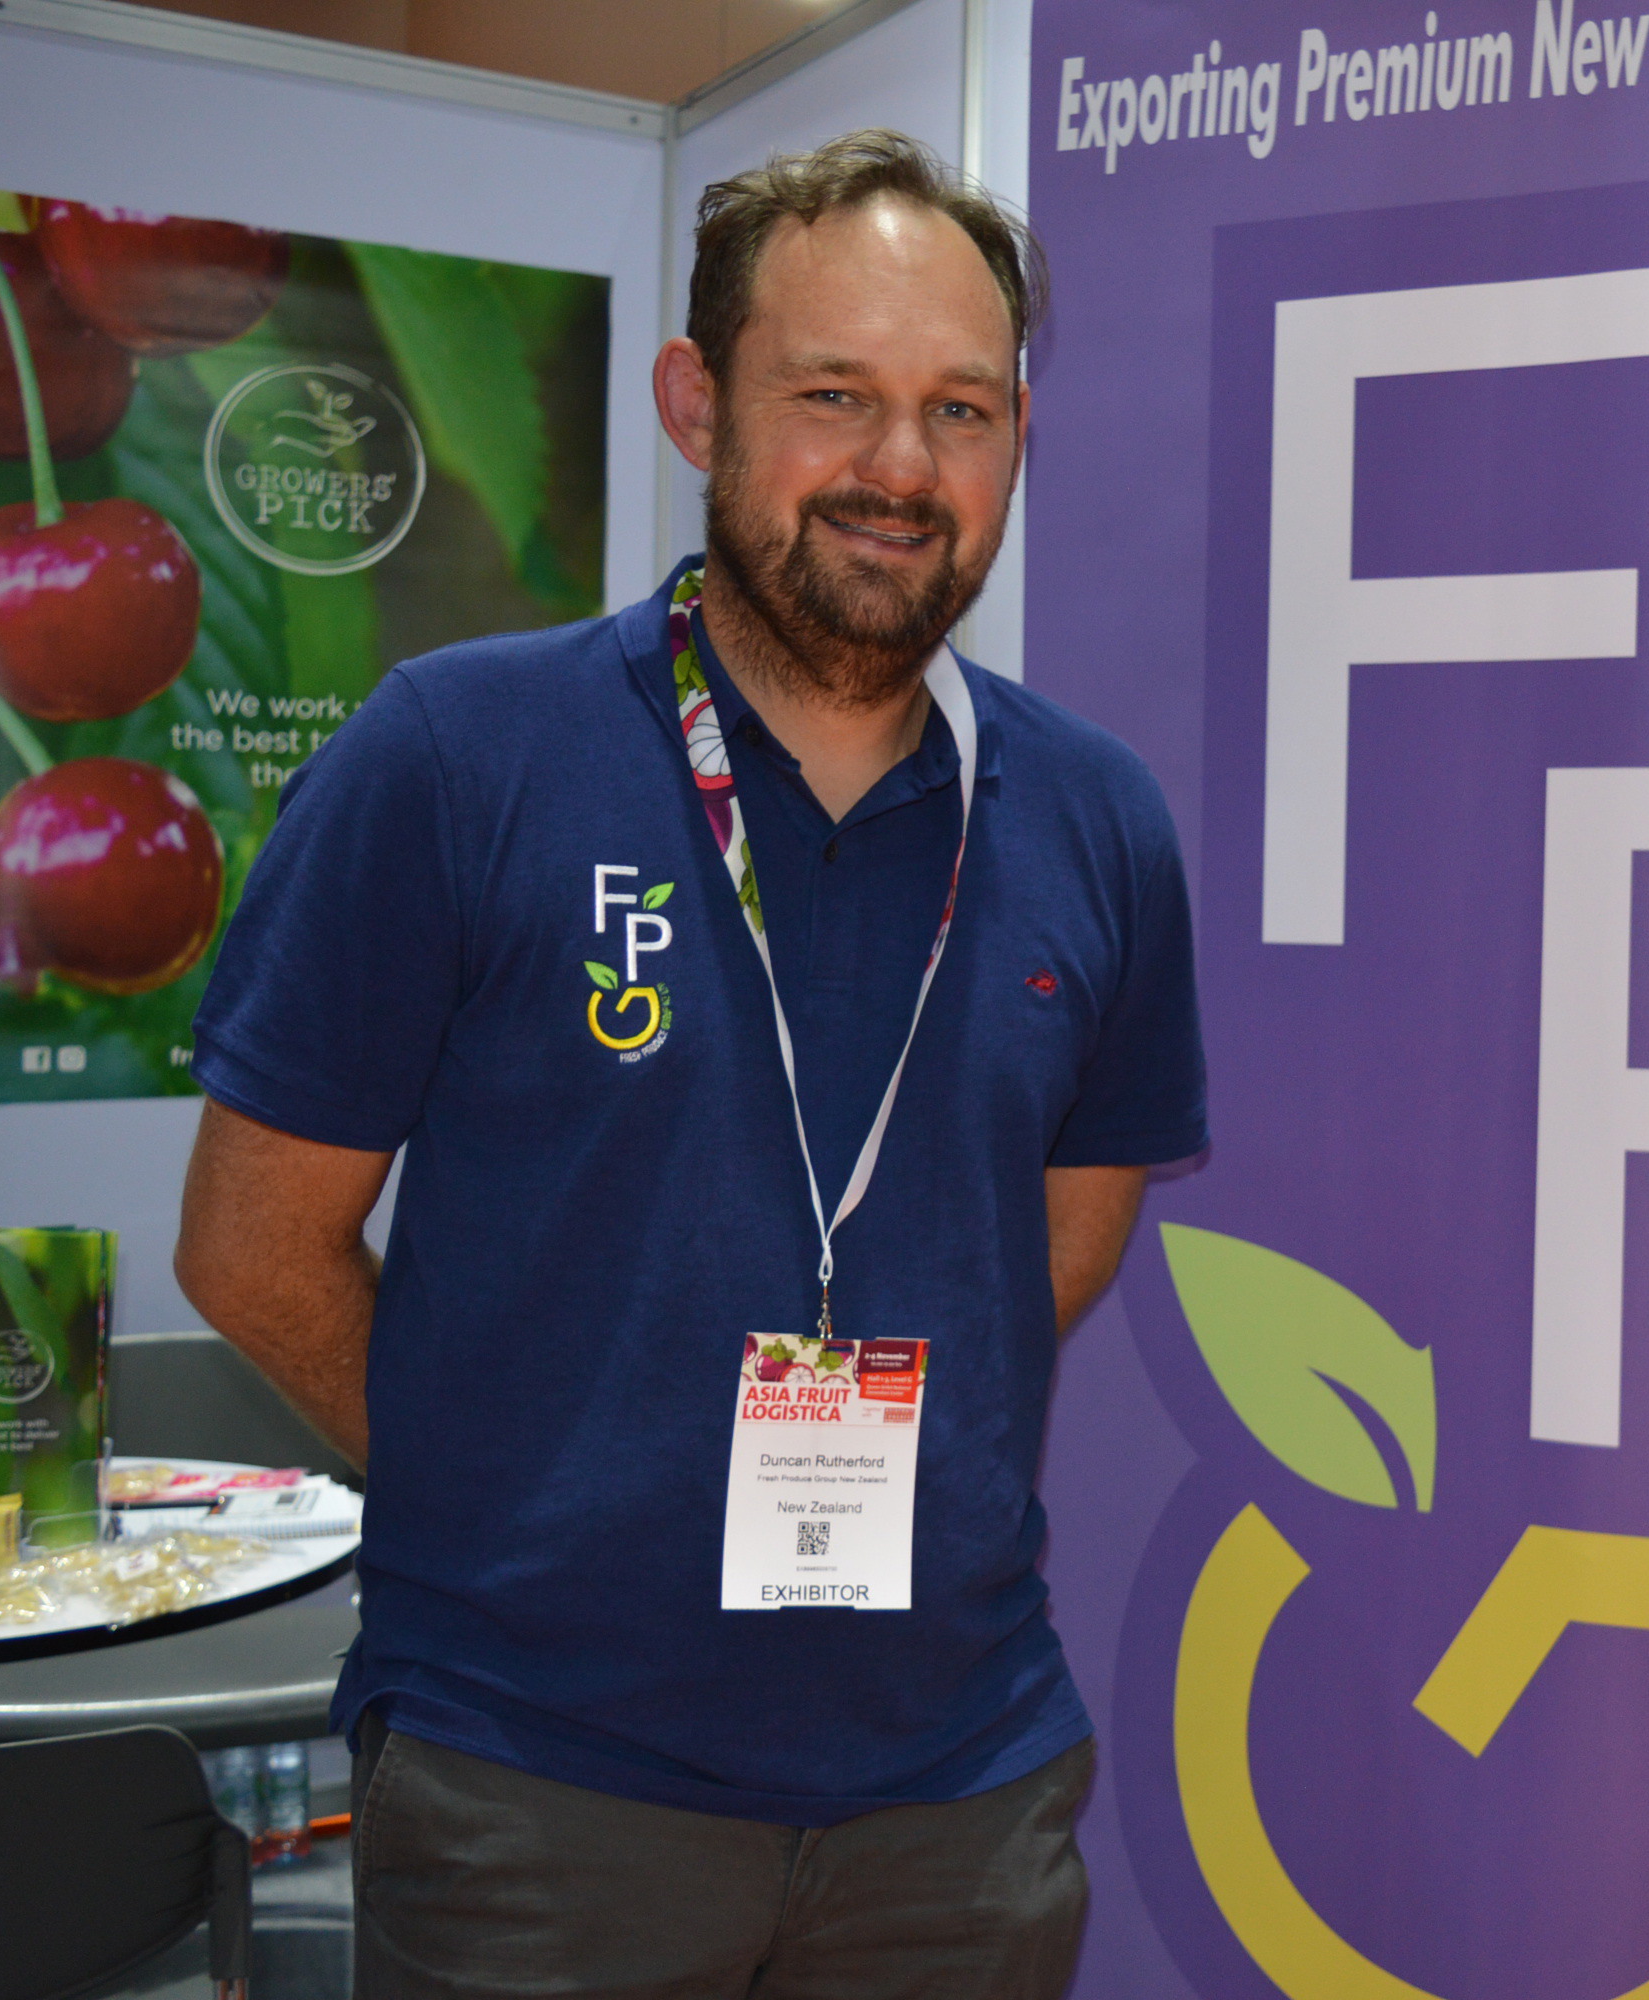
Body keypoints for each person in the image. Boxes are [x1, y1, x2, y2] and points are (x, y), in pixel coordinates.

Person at [173, 130, 1205, 1997]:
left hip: (958, 1808)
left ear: (1018, 440)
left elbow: (1056, 1243)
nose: (903, 469)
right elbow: (251, 1250)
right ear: (693, 403)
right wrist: (520, 1493)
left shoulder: (1097, 819)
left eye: (961, 410)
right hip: (540, 1791)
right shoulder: (455, 759)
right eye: (834, 394)